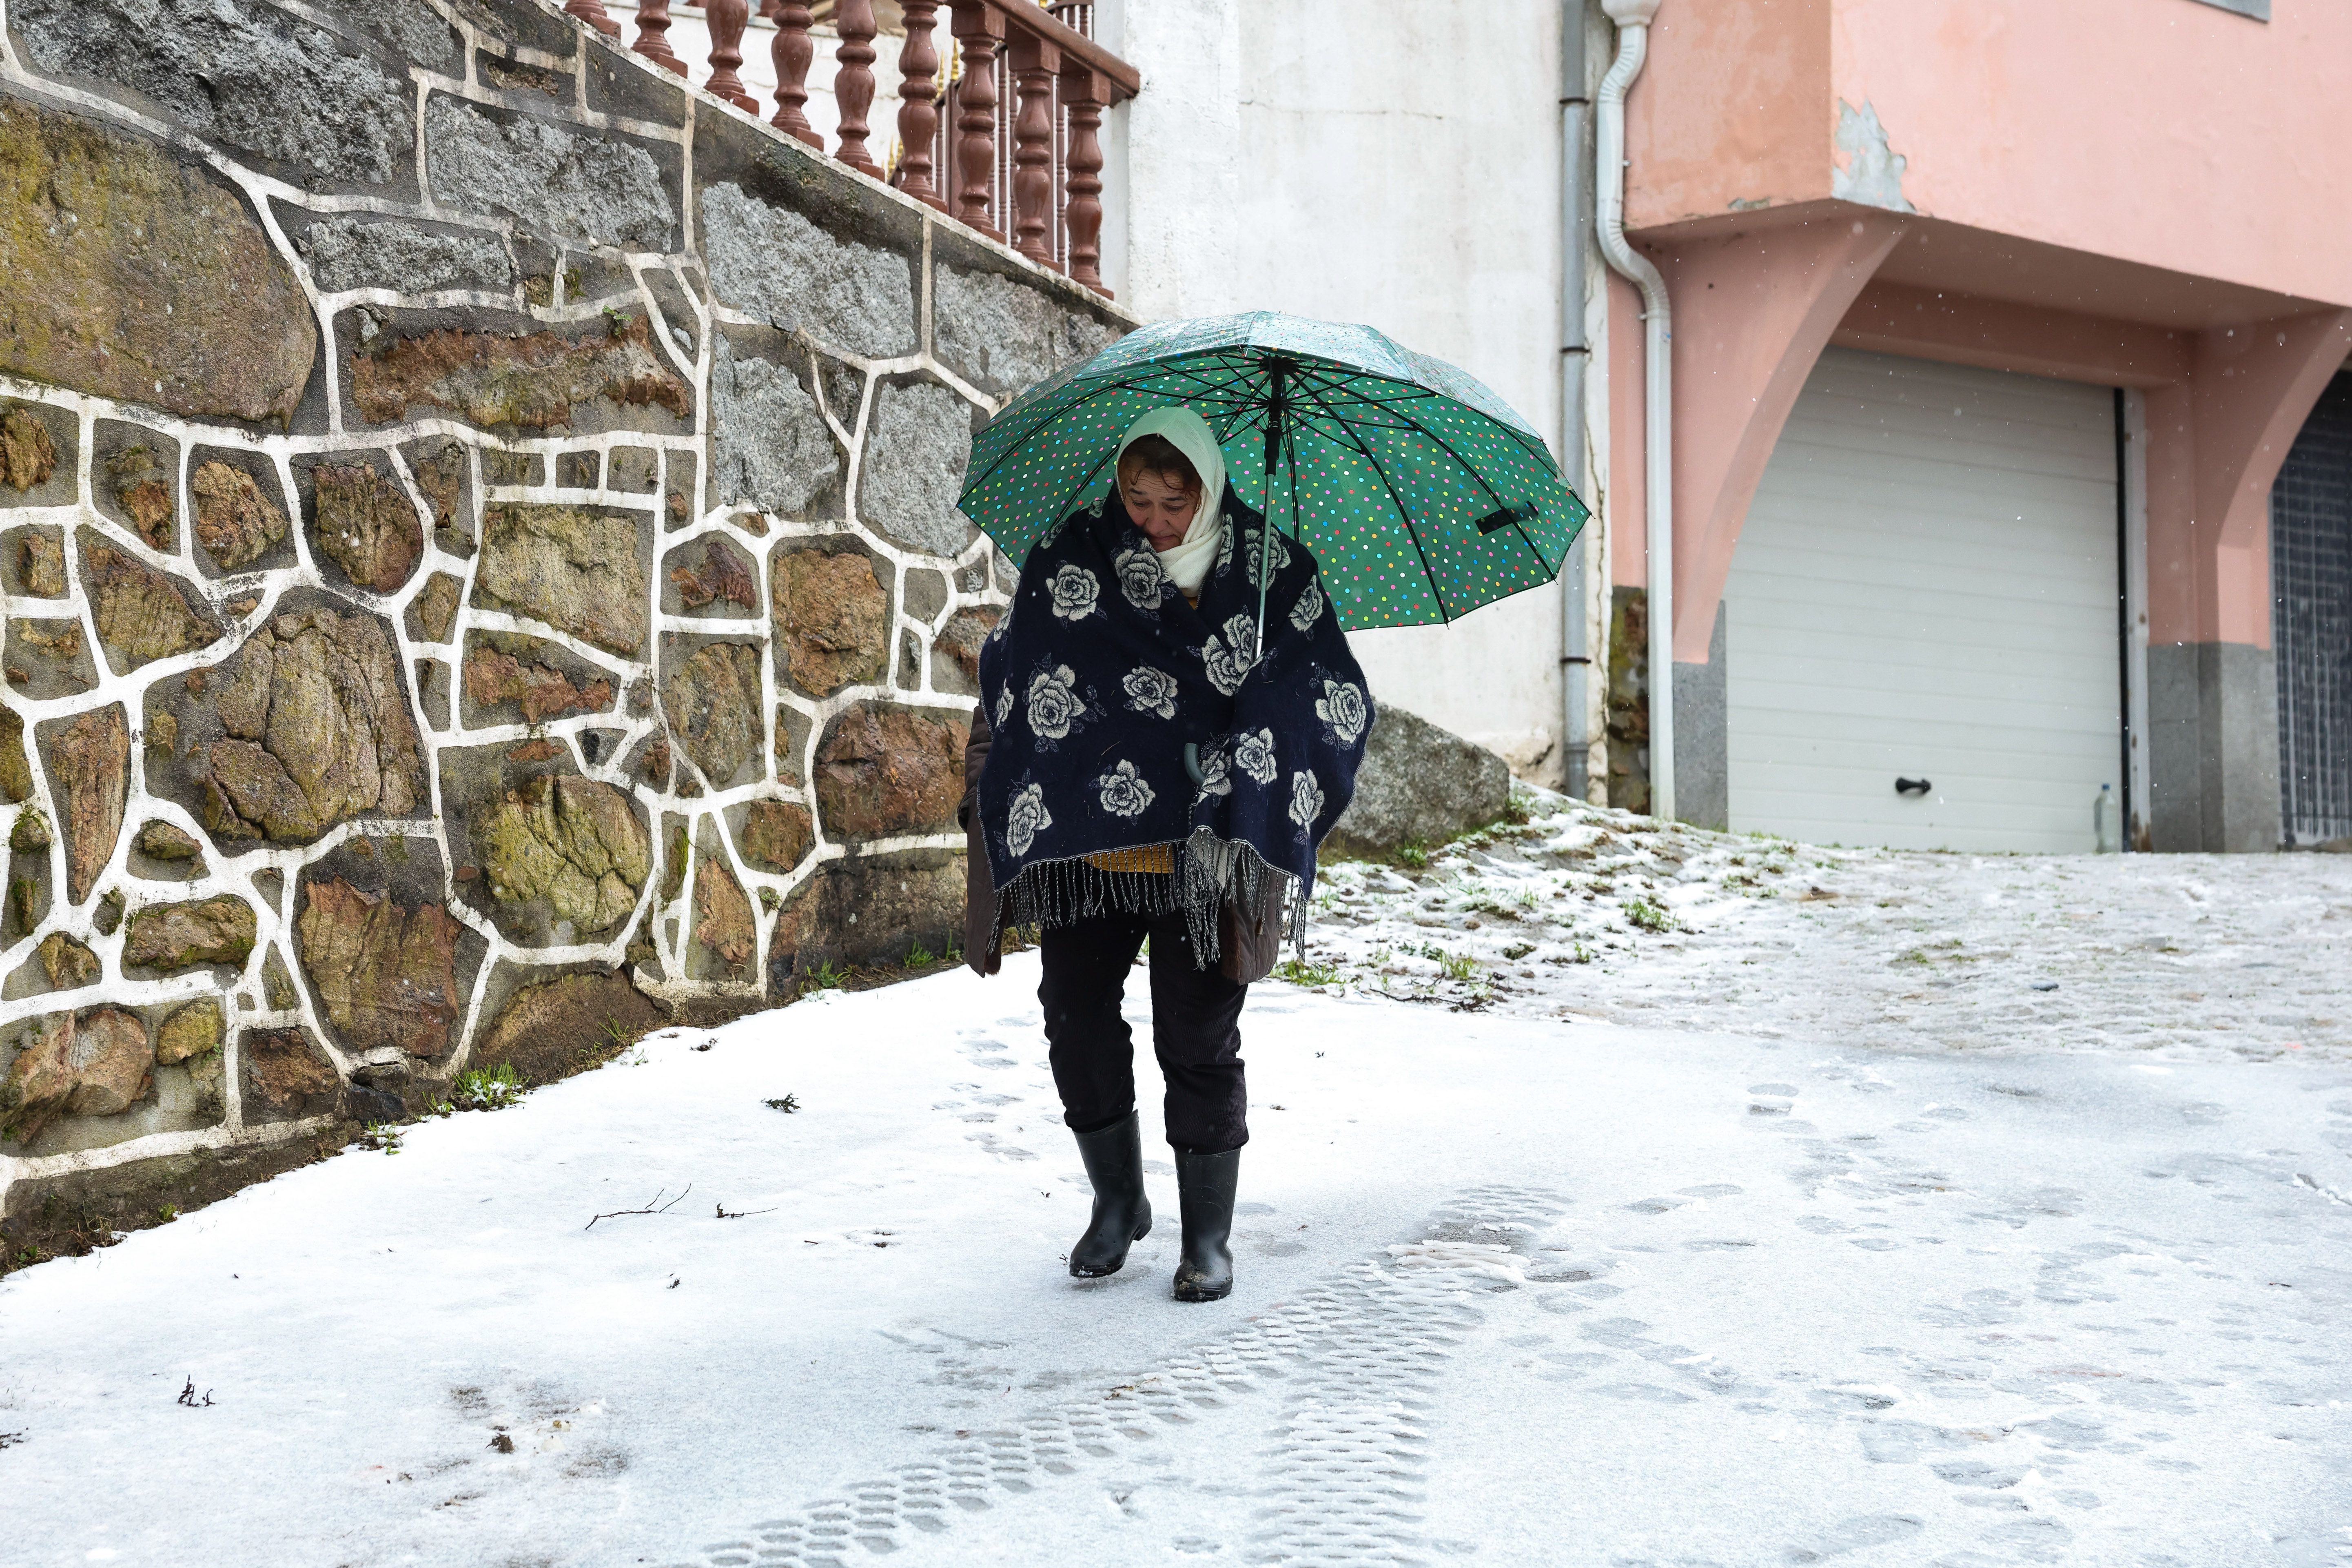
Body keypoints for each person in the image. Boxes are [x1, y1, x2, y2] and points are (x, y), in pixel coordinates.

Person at [957, 406, 1373, 1303]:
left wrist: (1266, 716)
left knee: (1198, 1038)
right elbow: (1020, 670)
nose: (1153, 520)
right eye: (1138, 499)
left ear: (1210, 490)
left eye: (1174, 503)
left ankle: (1208, 1237)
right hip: (1093, 851)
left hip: (1208, 858)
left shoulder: (1272, 574)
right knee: (1073, 1015)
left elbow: (1333, 696)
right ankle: (1118, 1200)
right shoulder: (1075, 556)